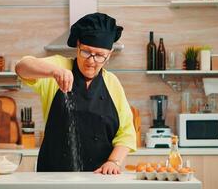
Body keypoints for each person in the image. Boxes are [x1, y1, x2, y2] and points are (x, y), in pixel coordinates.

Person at [15, 12, 136, 175]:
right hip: (54, 177)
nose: (91, 61)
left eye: (100, 55)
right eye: (86, 52)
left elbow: (126, 132)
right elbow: (22, 66)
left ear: (109, 55)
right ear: (78, 45)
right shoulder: (60, 65)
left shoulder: (112, 82)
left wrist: (113, 162)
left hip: (100, 177)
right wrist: (54, 71)